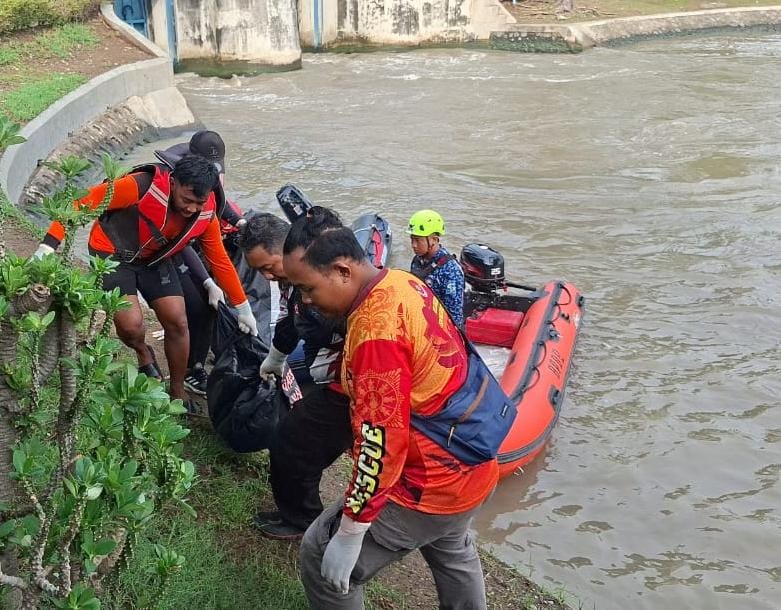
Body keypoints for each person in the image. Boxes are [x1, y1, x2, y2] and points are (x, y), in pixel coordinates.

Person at [282, 209, 498, 609]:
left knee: (319, 557)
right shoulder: (402, 281)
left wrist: (350, 530)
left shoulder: (376, 335)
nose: (306, 301)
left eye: (308, 288)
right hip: (471, 460)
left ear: (343, 270)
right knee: (452, 549)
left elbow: (380, 444)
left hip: (429, 480)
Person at [33, 155, 259, 406]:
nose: (191, 209)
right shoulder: (139, 186)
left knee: (178, 320)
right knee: (131, 325)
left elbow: (219, 260)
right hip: (112, 252)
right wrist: (48, 245)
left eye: (199, 202)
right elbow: (83, 201)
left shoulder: (206, 215)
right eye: (187, 199)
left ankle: (177, 391)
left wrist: (243, 308)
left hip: (153, 258)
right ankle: (143, 352)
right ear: (173, 183)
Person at [238, 210, 352, 540]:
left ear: (286, 249)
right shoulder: (292, 284)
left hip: (345, 385)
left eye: (268, 266)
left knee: (295, 444)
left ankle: (304, 521)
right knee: (292, 442)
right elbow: (289, 323)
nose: (267, 276)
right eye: (259, 271)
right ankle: (300, 514)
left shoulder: (322, 279)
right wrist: (275, 357)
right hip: (325, 379)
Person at [154, 130, 247, 396]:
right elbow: (178, 240)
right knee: (186, 310)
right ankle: (183, 375)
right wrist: (207, 281)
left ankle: (195, 365)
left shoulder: (205, 179)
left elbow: (216, 204)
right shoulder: (170, 178)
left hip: (195, 237)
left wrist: (238, 222)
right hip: (167, 244)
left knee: (207, 306)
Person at [407, 209, 465, 327]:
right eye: (412, 239)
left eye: (418, 240)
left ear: (434, 239)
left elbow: (454, 317)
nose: (413, 245)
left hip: (439, 329)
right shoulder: (417, 261)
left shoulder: (450, 271)